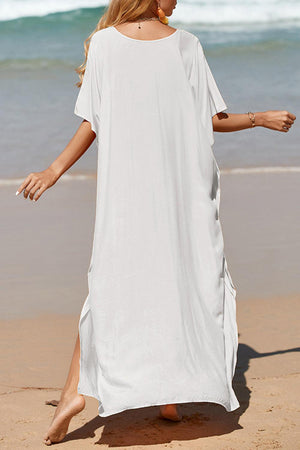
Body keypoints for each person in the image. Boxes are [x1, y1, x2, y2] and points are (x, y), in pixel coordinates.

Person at [15, 0, 296, 446]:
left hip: (124, 192)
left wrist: (53, 170)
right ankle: (92, 392)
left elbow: (93, 121)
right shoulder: (186, 45)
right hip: (180, 190)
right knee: (178, 279)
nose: (178, 1)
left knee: (113, 281)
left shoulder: (105, 44)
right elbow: (208, 121)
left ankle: (142, 397)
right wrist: (259, 118)